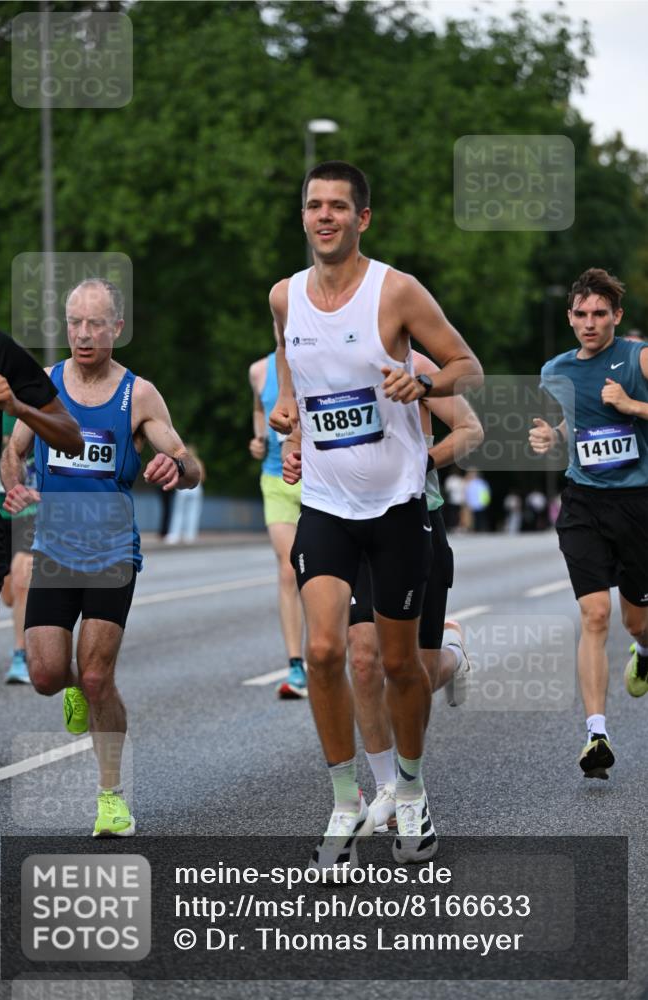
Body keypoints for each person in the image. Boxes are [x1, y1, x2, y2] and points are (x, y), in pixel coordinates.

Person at [269, 160, 483, 872]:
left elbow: (467, 366)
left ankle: (413, 791)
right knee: (326, 653)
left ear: (362, 218)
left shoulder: (395, 292)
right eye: (313, 206)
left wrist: (421, 378)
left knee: (397, 663)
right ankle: (343, 798)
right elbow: (295, 371)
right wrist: (291, 424)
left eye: (337, 207)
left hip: (396, 506)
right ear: (303, 217)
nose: (323, 216)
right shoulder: (283, 297)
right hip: (326, 507)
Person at [1, 279, 201, 833]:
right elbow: (13, 451)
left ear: (116, 327)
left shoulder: (138, 395)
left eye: (96, 324)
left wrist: (176, 469)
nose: (84, 334)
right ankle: (71, 690)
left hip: (113, 553)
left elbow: (188, 463)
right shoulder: (43, 386)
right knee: (45, 675)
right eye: (75, 323)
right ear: (66, 327)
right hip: (54, 550)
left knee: (96, 677)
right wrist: (15, 487)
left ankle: (110, 797)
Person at [283, 351, 484, 832]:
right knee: (362, 657)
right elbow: (304, 433)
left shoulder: (413, 365)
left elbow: (471, 430)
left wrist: (423, 459)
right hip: (344, 522)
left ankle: (454, 653)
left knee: (411, 670)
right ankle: (390, 787)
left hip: (414, 518)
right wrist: (295, 452)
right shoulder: (322, 363)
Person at [529, 267, 648, 780]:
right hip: (583, 503)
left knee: (635, 620)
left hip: (638, 503)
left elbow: (622, 410)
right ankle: (596, 734)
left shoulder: (638, 358)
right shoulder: (555, 370)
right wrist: (553, 440)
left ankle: (643, 650)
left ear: (617, 317)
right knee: (594, 615)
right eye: (581, 314)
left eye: (601, 313)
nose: (590, 322)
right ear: (570, 317)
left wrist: (631, 405)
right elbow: (577, 426)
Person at [0, 327, 82, 661]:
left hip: (4, 520)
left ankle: (22, 654)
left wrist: (17, 406)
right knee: (13, 590)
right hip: (2, 511)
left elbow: (71, 437)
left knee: (22, 578)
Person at [249, 352, 306, 698]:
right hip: (275, 478)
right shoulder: (258, 370)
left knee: (331, 571)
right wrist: (259, 439)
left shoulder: (312, 353)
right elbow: (259, 409)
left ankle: (333, 652)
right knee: (289, 570)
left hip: (321, 478)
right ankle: (296, 665)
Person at [0, 412, 39, 683]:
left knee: (22, 579)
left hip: (29, 509)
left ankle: (20, 654)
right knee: (8, 595)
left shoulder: (33, 407)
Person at [165, 443, 206, 544]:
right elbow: (203, 477)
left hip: (183, 488)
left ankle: (174, 535)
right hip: (197, 488)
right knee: (193, 512)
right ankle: (190, 535)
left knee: (178, 512)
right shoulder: (198, 462)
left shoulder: (182, 461)